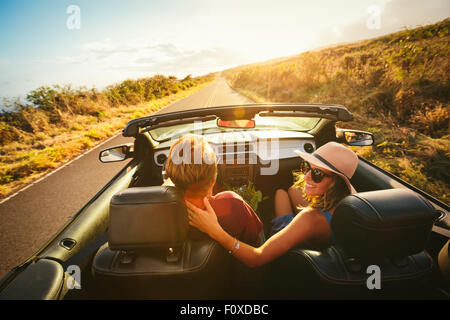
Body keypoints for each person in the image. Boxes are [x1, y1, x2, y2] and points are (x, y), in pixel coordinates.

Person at [186, 142, 359, 268]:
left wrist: (215, 231)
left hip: (290, 256)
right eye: (306, 167)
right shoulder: (352, 204)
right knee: (288, 191)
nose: (306, 176)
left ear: (335, 183)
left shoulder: (310, 219)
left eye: (317, 174)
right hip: (323, 241)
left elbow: (256, 258)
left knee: (279, 194)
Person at [165, 134, 263, 246]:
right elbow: (255, 242)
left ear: (172, 179)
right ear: (214, 178)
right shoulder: (233, 204)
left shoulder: (164, 213)